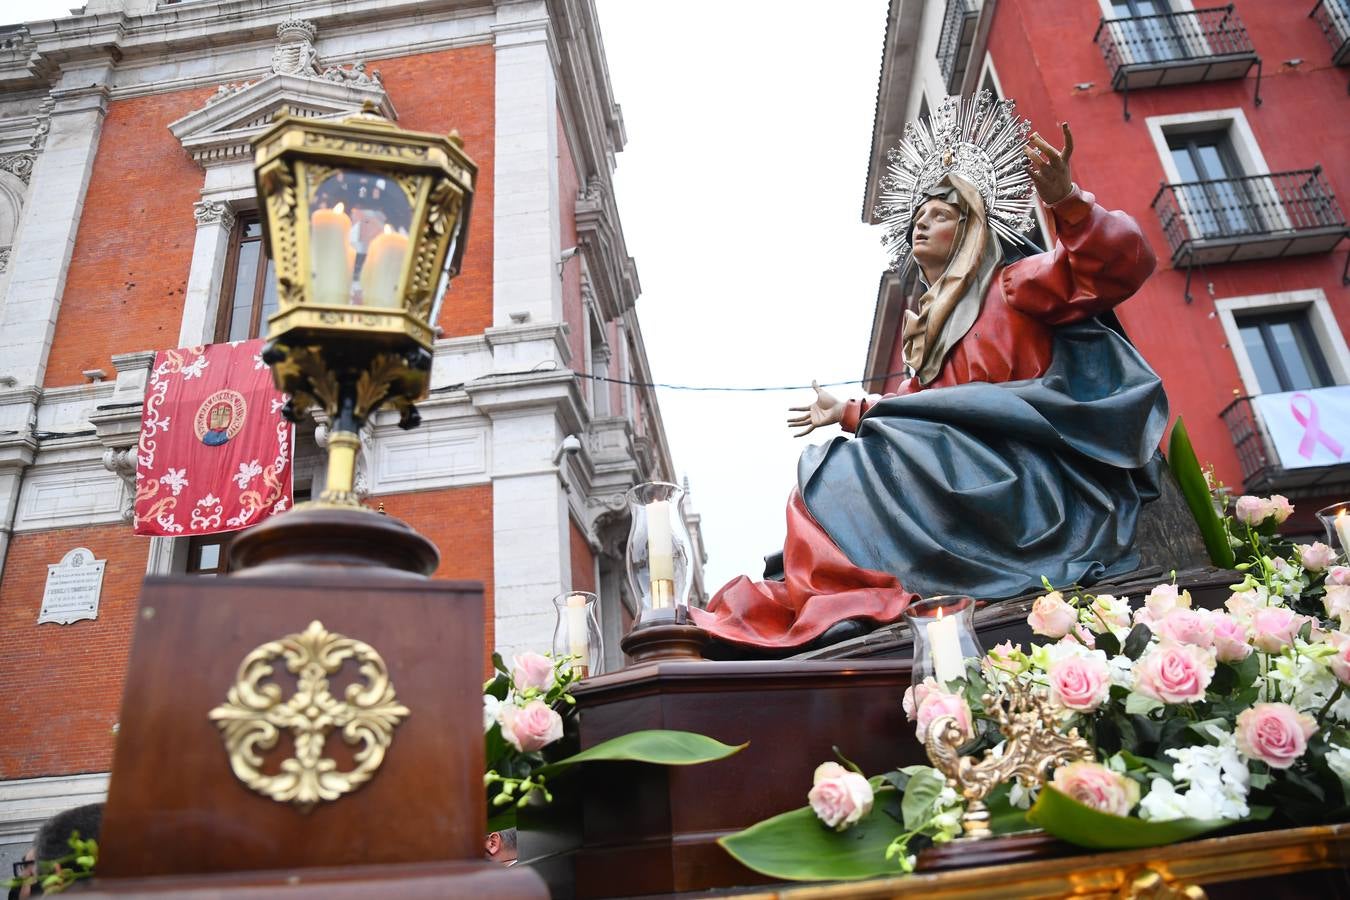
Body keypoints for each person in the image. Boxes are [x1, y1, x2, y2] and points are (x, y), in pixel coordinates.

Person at [690, 93, 1166, 652]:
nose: (921, 226)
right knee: (824, 472)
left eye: (938, 215)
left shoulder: (1013, 286)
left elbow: (1117, 268)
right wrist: (847, 411)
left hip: (1027, 477)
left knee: (840, 466)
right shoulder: (930, 335)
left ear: (969, 227)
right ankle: (840, 599)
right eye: (917, 218)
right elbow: (915, 412)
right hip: (959, 471)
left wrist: (1069, 204)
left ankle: (851, 595)